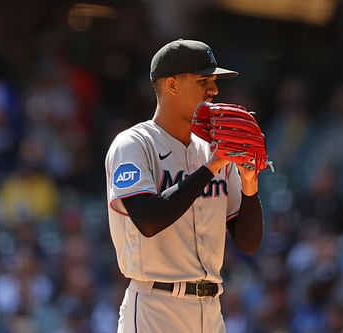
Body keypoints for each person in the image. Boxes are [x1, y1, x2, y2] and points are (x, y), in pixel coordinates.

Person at [105, 39, 265, 333]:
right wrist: (212, 166)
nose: (213, 91)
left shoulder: (214, 150)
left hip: (210, 309)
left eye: (214, 81)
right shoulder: (134, 144)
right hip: (156, 305)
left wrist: (249, 184)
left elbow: (248, 243)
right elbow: (149, 219)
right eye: (203, 80)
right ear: (171, 86)